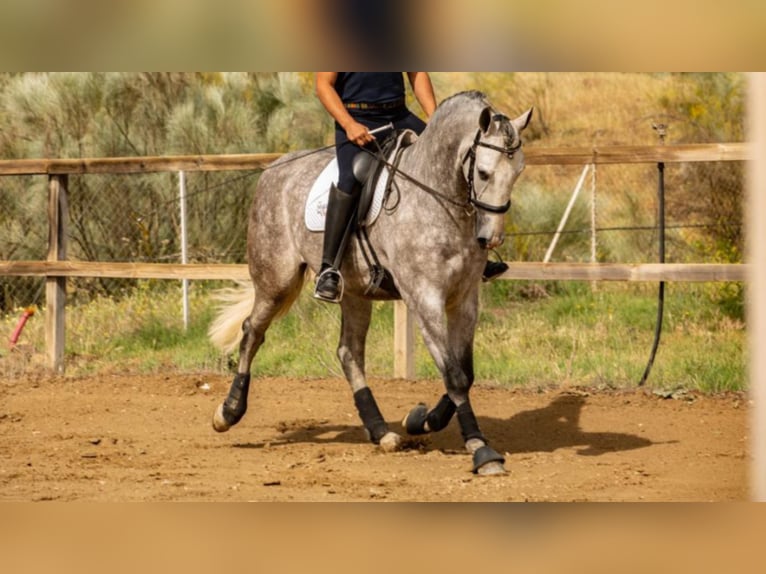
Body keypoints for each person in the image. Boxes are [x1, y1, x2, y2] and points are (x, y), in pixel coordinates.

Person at [313, 72, 508, 303]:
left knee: (449, 165)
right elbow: (323, 85)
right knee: (351, 178)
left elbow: (417, 74)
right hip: (357, 119)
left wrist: (435, 120)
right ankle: (329, 270)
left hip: (398, 116)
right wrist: (348, 124)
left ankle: (478, 255)